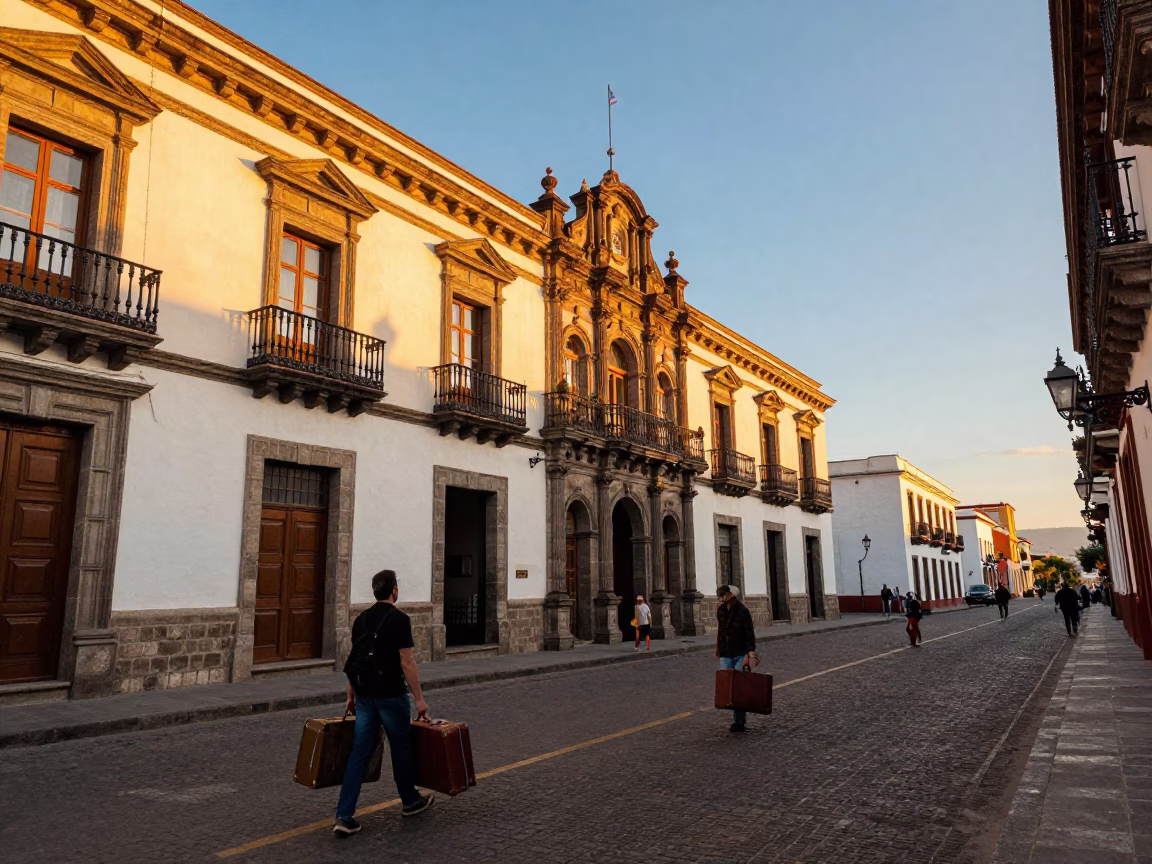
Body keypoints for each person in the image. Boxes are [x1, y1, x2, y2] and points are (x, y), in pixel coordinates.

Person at [335, 569, 434, 838]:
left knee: (359, 752)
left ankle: (344, 815)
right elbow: (407, 661)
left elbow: (354, 660)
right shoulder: (400, 620)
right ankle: (410, 801)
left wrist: (350, 696)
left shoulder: (361, 619)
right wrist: (420, 699)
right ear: (393, 591)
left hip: (365, 695)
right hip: (390, 695)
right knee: (401, 748)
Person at [715, 584, 757, 733]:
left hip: (740, 653)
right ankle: (736, 715)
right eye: (721, 595)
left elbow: (749, 633)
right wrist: (719, 649)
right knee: (727, 687)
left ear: (731, 595)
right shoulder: (720, 611)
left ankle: (739, 721)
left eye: (724, 595)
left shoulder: (743, 611)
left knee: (738, 688)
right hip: (726, 653)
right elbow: (721, 631)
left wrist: (750, 653)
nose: (722, 597)